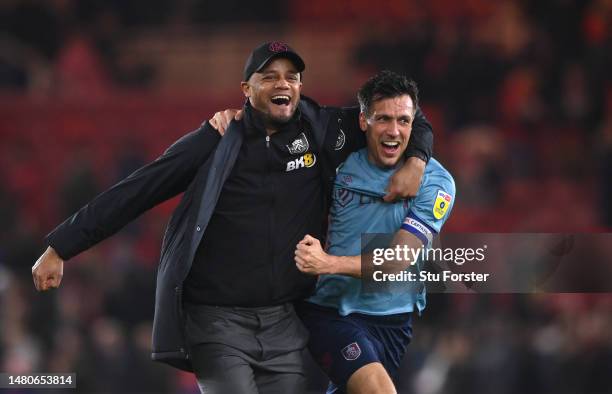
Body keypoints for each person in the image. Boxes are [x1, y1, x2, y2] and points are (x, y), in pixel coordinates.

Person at [31, 42, 434, 393]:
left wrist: (416, 160)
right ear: (247, 89)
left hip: (285, 323)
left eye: (292, 76)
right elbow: (138, 190)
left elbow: (400, 113)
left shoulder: (323, 129)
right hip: (217, 322)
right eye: (269, 76)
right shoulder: (216, 140)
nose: (283, 84)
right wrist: (61, 246)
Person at [293, 71, 455, 394]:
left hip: (392, 323)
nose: (394, 131)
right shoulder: (339, 165)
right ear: (363, 120)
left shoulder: (437, 184)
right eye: (383, 119)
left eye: (403, 121)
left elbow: (399, 261)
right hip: (330, 310)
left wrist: (329, 263)